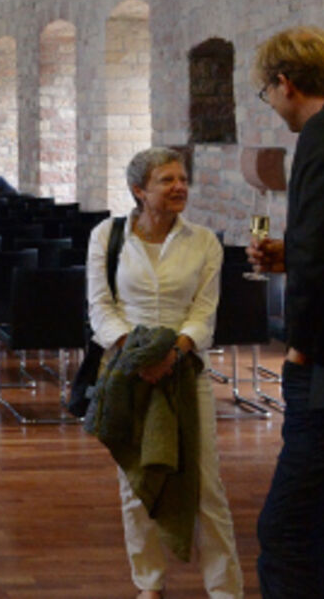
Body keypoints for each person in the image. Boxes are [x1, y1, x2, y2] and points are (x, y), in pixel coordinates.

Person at [87, 147, 243, 599]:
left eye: (182, 179)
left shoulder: (203, 241)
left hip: (184, 369)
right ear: (139, 190)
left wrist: (171, 355)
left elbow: (203, 312)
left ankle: (225, 589)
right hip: (128, 373)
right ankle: (149, 585)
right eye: (166, 180)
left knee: (206, 484)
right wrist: (139, 357)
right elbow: (101, 308)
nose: (180, 187)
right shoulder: (107, 236)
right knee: (136, 482)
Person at [249, 26, 324, 597]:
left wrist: (299, 348)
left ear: (285, 83)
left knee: (288, 537)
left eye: (267, 92)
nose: (271, 104)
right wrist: (295, 254)